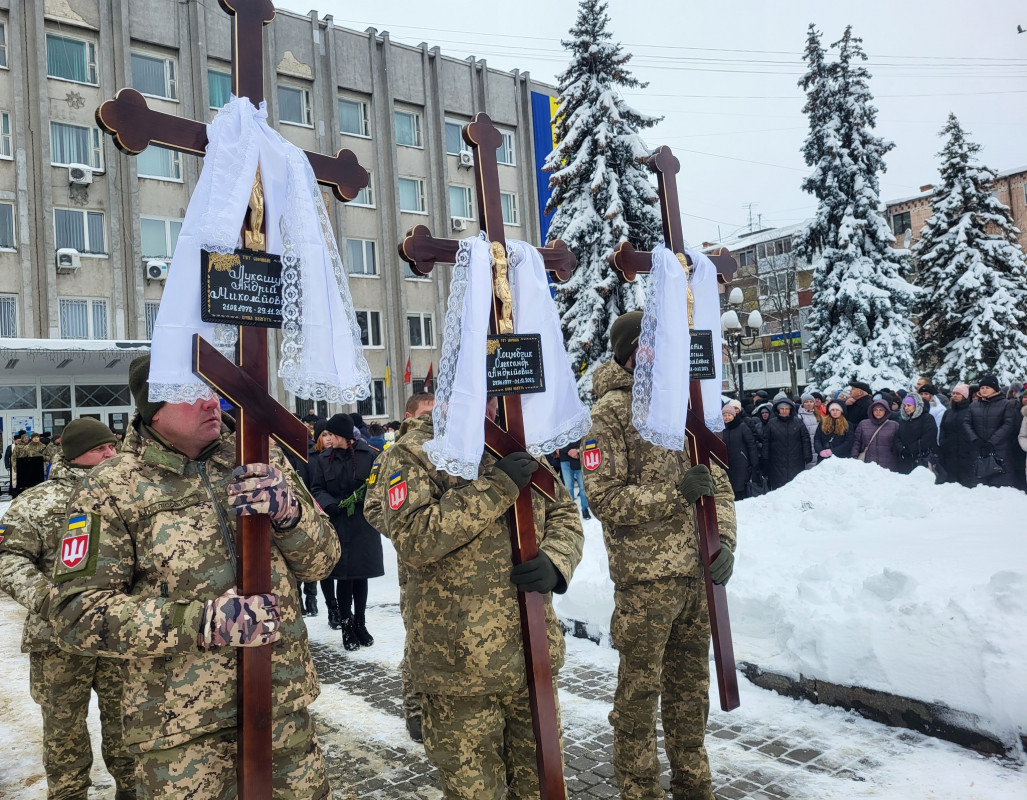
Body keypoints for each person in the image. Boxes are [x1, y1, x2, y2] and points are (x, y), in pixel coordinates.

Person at [49, 355, 341, 800]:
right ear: (155, 410)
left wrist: (290, 513)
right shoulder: (108, 488)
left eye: (211, 389)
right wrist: (202, 622)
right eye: (192, 392)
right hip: (181, 735)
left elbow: (323, 560)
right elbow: (75, 612)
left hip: (280, 710)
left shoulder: (258, 454)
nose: (211, 402)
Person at [364, 392, 583, 800]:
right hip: (458, 669)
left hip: (531, 655)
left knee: (543, 788)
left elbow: (565, 514)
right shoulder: (414, 454)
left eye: (493, 397)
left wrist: (557, 560)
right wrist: (497, 486)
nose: (490, 408)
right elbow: (414, 538)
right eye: (476, 393)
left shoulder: (521, 446)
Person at [583, 311, 736, 800]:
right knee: (638, 698)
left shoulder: (683, 405)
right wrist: (675, 495)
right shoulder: (608, 413)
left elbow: (721, 485)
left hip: (697, 578)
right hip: (646, 582)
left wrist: (725, 540)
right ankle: (639, 790)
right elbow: (604, 498)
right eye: (652, 347)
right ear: (633, 354)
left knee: (691, 696)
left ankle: (694, 787)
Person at [0, 418, 136, 800]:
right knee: (64, 734)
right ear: (77, 455)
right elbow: (8, 558)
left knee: (129, 723)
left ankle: (133, 791)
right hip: (57, 638)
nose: (112, 454)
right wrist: (51, 601)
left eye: (114, 446)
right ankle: (69, 794)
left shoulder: (129, 497)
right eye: (102, 449)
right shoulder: (36, 502)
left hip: (118, 634)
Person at [309, 413, 383, 650]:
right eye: (326, 434)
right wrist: (332, 504)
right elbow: (317, 487)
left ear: (342, 435)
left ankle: (360, 623)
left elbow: (377, 486)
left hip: (362, 524)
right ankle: (346, 625)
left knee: (360, 575)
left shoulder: (369, 456)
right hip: (338, 522)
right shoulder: (323, 459)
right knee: (343, 577)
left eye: (331, 434)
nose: (327, 438)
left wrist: (365, 501)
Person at [963, 374, 1020, 488]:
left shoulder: (1005, 404)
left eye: (987, 388)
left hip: (1000, 449)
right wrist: (975, 439)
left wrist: (992, 441)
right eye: (982, 388)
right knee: (979, 486)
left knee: (999, 486)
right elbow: (966, 423)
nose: (984, 390)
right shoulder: (974, 405)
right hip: (979, 449)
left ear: (994, 388)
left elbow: (1008, 424)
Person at [760, 398, 813, 490]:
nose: (784, 411)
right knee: (779, 488)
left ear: (790, 410)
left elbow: (805, 439)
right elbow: (766, 441)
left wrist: (807, 455)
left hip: (796, 460)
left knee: (795, 486)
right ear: (778, 410)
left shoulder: (798, 422)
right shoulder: (771, 423)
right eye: (782, 409)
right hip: (776, 461)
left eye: (787, 409)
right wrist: (765, 457)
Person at [938, 383, 975, 487]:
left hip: (965, 453)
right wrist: (943, 442)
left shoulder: (971, 411)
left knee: (965, 484)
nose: (954, 395)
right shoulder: (948, 412)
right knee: (950, 484)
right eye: (953, 393)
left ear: (965, 396)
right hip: (949, 452)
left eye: (958, 393)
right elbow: (943, 428)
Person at [893, 394, 938, 475]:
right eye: (905, 406)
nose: (906, 408)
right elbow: (897, 437)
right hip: (905, 459)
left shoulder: (927, 418)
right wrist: (902, 449)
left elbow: (929, 436)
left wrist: (912, 449)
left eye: (909, 405)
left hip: (921, 459)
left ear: (916, 405)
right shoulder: (904, 420)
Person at [851, 399, 900, 471]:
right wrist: (854, 456)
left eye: (881, 410)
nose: (878, 412)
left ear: (886, 411)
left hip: (888, 464)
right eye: (875, 410)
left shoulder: (894, 425)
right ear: (872, 411)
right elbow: (857, 441)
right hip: (868, 463)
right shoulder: (863, 424)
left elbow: (898, 444)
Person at [721, 403, 758, 499]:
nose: (727, 418)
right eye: (724, 415)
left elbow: (751, 444)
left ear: (734, 415)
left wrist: (753, 462)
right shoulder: (721, 429)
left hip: (741, 462)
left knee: (740, 486)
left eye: (729, 415)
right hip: (727, 462)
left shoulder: (742, 427)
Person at [558, 441, 591, 518]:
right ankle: (571, 510)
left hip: (579, 456)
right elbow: (557, 440)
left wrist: (577, 450)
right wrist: (568, 450)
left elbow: (584, 438)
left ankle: (585, 509)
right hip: (565, 457)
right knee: (568, 487)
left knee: (583, 487)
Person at [12, 431, 48, 495]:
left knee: (40, 485)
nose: (36, 438)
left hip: (40, 468)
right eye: (34, 437)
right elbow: (22, 459)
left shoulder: (43, 446)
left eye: (37, 437)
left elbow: (48, 457)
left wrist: (41, 456)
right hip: (30, 469)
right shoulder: (27, 447)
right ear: (32, 438)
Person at [797, 394, 820, 469]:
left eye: (811, 401)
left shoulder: (817, 415)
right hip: (807, 446)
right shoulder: (799, 416)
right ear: (803, 404)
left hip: (817, 444)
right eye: (806, 402)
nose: (809, 403)